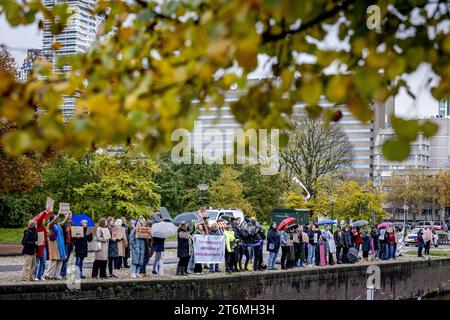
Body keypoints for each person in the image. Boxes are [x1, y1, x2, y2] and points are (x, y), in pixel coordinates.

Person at [45, 211, 70, 280]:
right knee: (54, 260)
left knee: (60, 260)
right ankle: (48, 274)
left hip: (60, 244)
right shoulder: (50, 225)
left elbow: (64, 221)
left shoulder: (58, 225)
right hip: (54, 244)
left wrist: (68, 215)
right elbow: (53, 222)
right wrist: (58, 214)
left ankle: (56, 274)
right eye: (56, 218)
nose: (58, 219)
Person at [33, 210, 50, 281]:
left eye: (44, 220)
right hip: (39, 246)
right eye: (43, 220)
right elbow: (40, 219)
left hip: (44, 246)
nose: (44, 221)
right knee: (37, 262)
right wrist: (45, 212)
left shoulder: (43, 227)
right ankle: (36, 275)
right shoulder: (38, 226)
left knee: (43, 261)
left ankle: (40, 275)